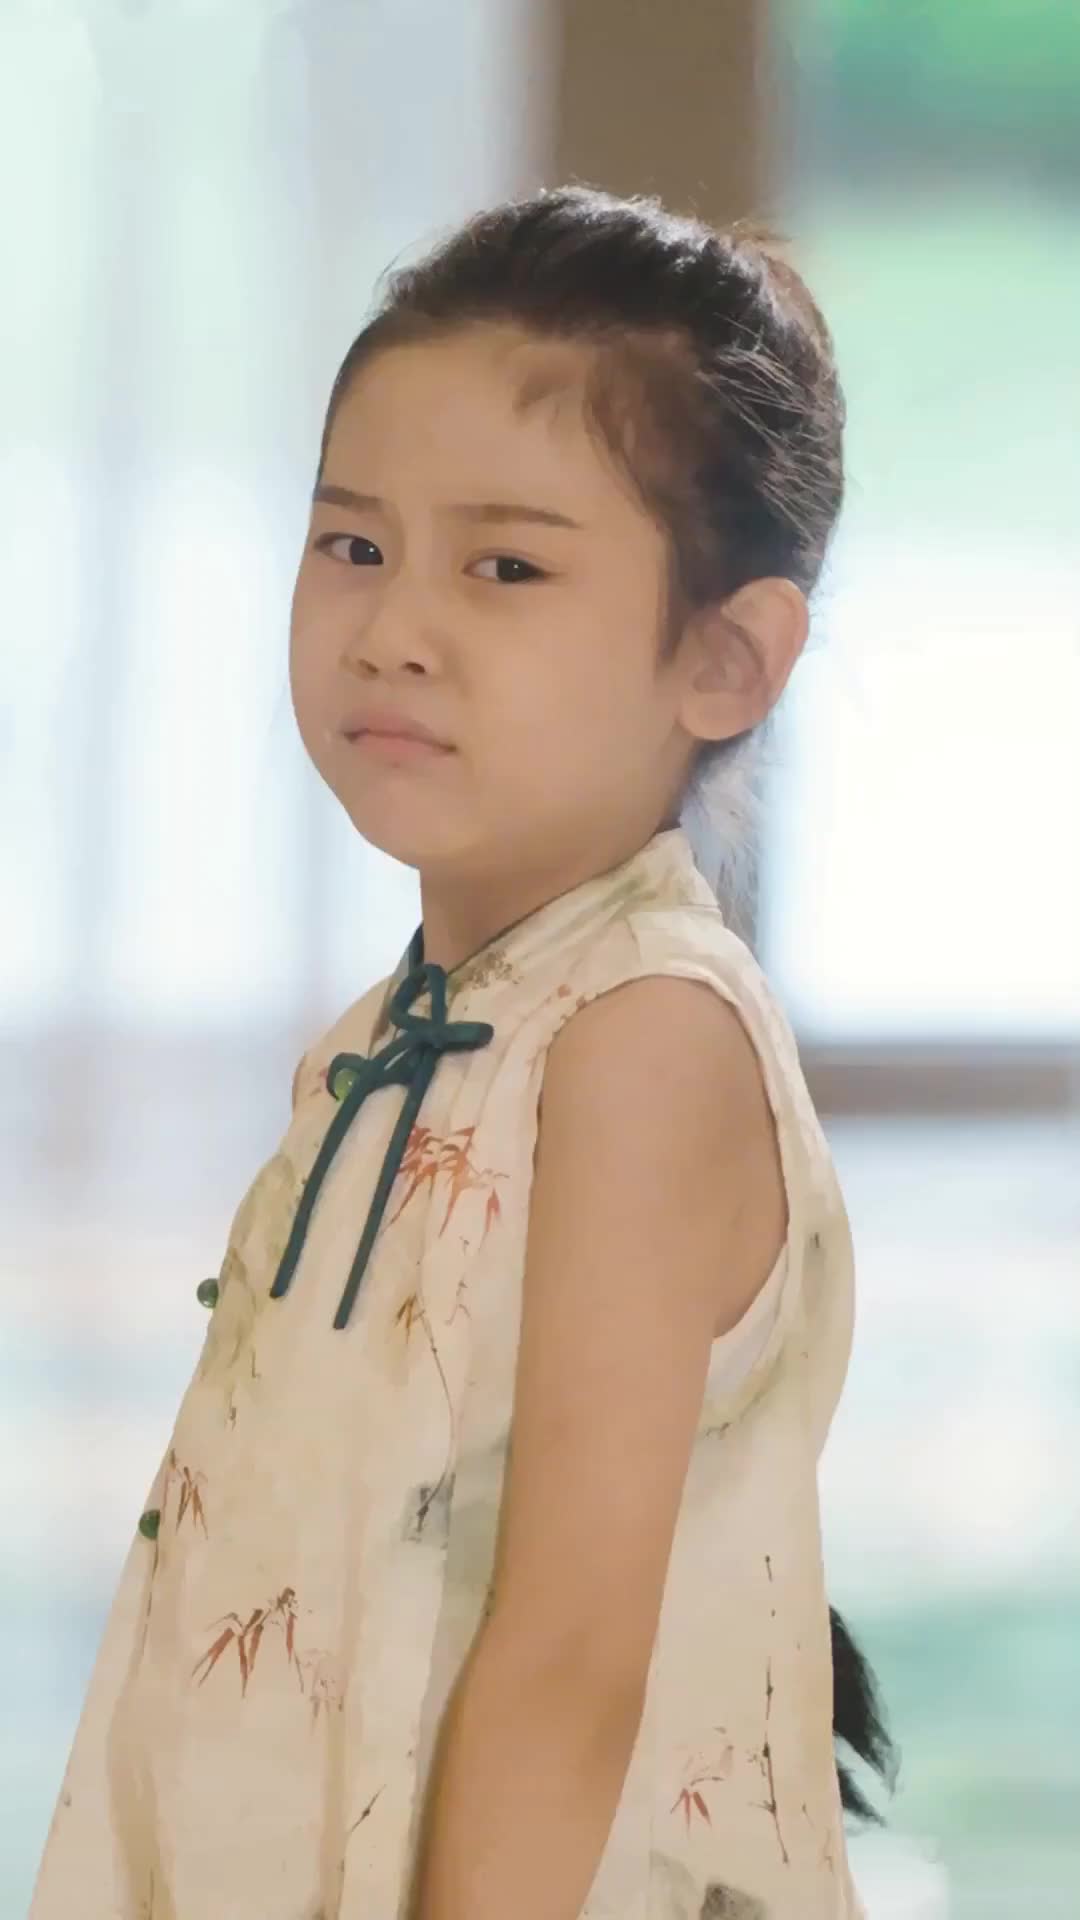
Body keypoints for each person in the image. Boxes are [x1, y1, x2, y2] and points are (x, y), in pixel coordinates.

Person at [31, 183, 898, 1919]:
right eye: (353, 545)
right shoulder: (396, 1040)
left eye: (505, 566)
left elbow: (570, 1658)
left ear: (728, 658)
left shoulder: (644, 1039)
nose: (393, 628)